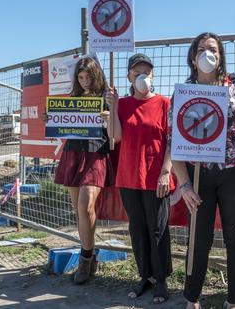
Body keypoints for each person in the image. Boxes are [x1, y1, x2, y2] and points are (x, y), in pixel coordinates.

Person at [172, 32, 235, 309]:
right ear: (193, 56)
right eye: (201, 49)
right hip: (200, 171)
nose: (207, 54)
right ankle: (192, 298)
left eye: (212, 49)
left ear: (221, 55)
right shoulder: (183, 92)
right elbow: (173, 141)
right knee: (199, 237)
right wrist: (185, 184)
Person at [105, 53, 173, 304]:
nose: (143, 77)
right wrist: (111, 107)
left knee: (157, 229)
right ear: (129, 77)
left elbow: (171, 141)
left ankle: (161, 279)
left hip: (157, 177)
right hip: (129, 177)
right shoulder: (121, 104)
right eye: (137, 73)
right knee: (137, 229)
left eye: (147, 72)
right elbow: (116, 137)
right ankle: (145, 276)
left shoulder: (165, 103)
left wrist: (166, 172)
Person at [53, 56, 114, 285]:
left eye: (88, 76)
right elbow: (63, 127)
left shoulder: (105, 99)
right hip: (73, 152)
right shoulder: (73, 98)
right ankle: (91, 254)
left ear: (96, 75)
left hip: (96, 153)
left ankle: (85, 259)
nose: (85, 81)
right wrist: (52, 119)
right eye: (81, 77)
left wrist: (107, 117)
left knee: (85, 205)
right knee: (79, 212)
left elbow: (114, 133)